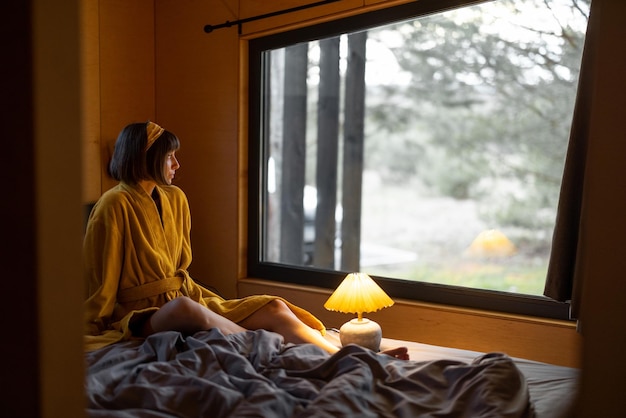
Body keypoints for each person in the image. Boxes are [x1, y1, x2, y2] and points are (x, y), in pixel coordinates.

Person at [84, 121, 408, 360]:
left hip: (184, 293)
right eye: (170, 157)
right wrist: (93, 326)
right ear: (146, 158)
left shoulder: (176, 198)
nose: (177, 165)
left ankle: (349, 356)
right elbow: (102, 280)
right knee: (184, 308)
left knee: (273, 306)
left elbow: (182, 266)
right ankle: (274, 352)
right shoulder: (114, 205)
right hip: (141, 313)